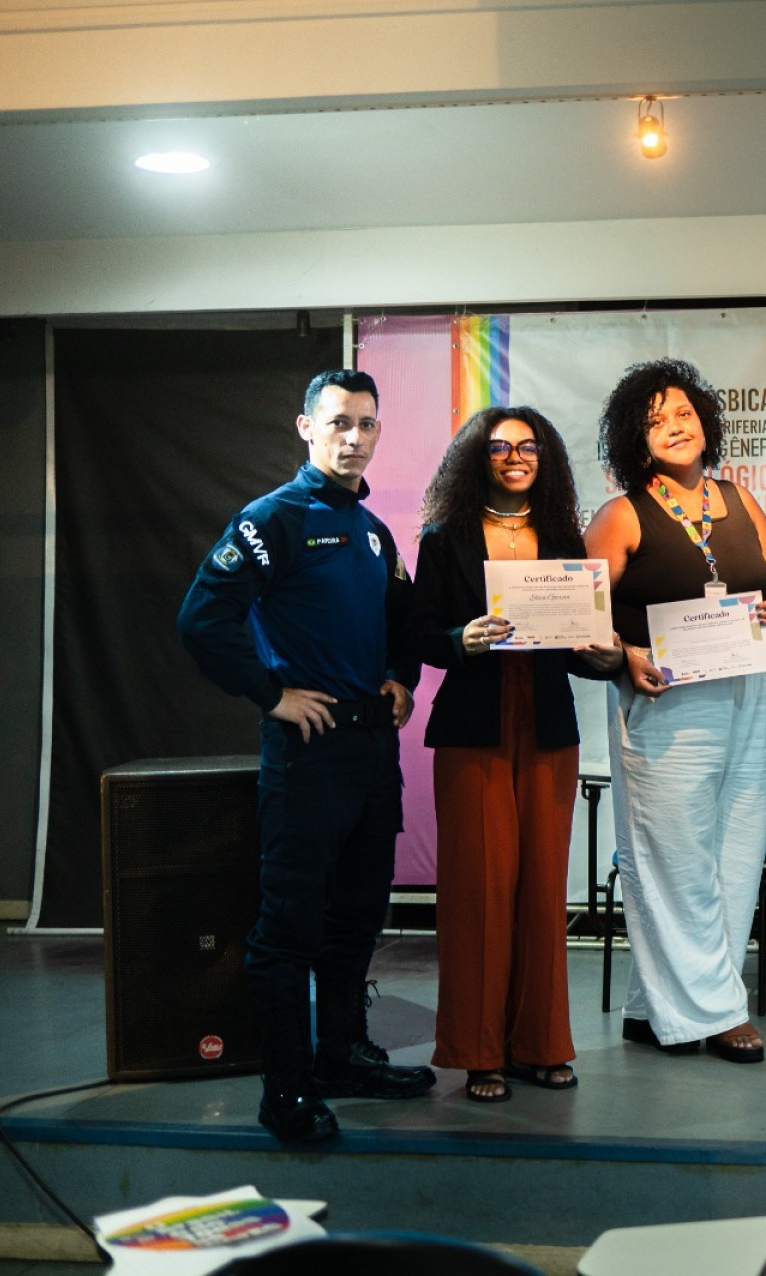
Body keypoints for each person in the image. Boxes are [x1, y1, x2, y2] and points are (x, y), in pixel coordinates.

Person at [179, 369, 434, 1144]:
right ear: (306, 428)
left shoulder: (372, 531)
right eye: (339, 423)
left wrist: (402, 677)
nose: (353, 438)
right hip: (307, 751)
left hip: (368, 750)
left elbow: (401, 619)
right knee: (288, 930)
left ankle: (342, 1056)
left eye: (366, 424)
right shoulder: (273, 520)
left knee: (355, 920)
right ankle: (285, 1092)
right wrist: (270, 694)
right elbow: (202, 620)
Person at [583, 359, 766, 1064]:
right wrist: (625, 654)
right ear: (635, 445)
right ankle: (717, 1011)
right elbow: (583, 622)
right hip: (666, 702)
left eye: (683, 413)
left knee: (733, 854)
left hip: (744, 689)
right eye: (655, 420)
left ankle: (657, 1005)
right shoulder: (621, 515)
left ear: (706, 421)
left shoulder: (739, 500)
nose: (675, 426)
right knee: (674, 859)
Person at [415, 406, 624, 1102]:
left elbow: (579, 648)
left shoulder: (565, 536)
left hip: (546, 730)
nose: (514, 456)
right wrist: (457, 642)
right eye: (500, 446)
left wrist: (604, 655)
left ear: (545, 457)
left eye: (527, 446)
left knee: (540, 889)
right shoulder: (444, 539)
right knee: (478, 891)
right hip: (474, 727)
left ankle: (540, 1045)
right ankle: (479, 1052)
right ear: (479, 456)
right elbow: (418, 632)